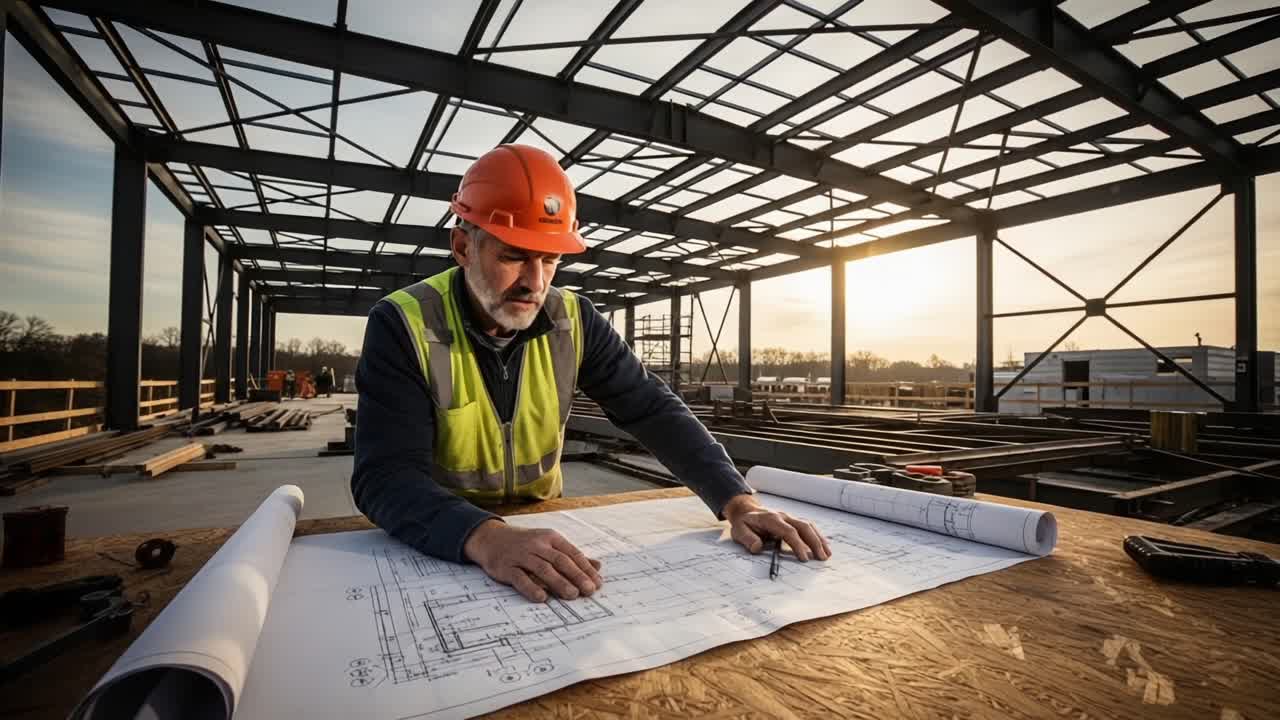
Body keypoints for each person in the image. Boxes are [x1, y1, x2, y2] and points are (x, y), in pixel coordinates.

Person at [352, 144, 830, 604]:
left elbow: (651, 408)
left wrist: (738, 500)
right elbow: (386, 475)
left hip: (543, 526)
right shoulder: (405, 323)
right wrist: (484, 537)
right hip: (444, 538)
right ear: (462, 246)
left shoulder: (573, 320)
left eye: (550, 259)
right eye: (514, 255)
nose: (534, 282)